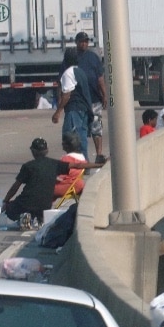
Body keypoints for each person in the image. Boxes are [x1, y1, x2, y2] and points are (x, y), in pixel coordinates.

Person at [2, 138, 100, 230]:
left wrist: (6, 201)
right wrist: (99, 165)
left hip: (26, 202)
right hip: (45, 205)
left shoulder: (28, 166)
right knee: (39, 213)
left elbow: (15, 187)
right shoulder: (54, 164)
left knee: (9, 210)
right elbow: (78, 165)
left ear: (33, 151)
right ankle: (37, 218)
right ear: (47, 150)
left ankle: (25, 216)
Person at [51, 47, 94, 159]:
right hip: (84, 110)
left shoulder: (68, 74)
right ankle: (85, 162)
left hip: (74, 110)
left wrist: (58, 112)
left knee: (70, 138)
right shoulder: (80, 72)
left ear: (65, 60)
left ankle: (77, 164)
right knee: (82, 137)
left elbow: (66, 95)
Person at [72, 32, 109, 163]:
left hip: (94, 99)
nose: (84, 44)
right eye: (82, 41)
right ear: (76, 42)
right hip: (79, 100)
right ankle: (82, 157)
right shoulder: (72, 57)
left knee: (96, 127)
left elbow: (100, 78)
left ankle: (99, 154)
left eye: (86, 42)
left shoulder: (93, 57)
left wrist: (105, 95)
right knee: (79, 130)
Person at [54, 135, 89, 203]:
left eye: (63, 143)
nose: (62, 144)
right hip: (78, 185)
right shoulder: (82, 158)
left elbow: (60, 177)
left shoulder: (67, 159)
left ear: (68, 145)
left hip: (68, 187)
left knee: (44, 187)